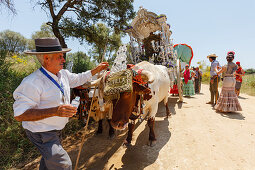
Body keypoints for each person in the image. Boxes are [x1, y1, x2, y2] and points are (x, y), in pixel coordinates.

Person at [13, 38, 109, 170]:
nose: (63, 60)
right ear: (47, 58)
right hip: (42, 133)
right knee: (63, 165)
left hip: (56, 130)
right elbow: (20, 115)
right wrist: (55, 111)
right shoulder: (32, 82)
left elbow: (78, 79)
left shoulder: (62, 75)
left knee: (49, 163)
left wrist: (96, 70)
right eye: (60, 57)